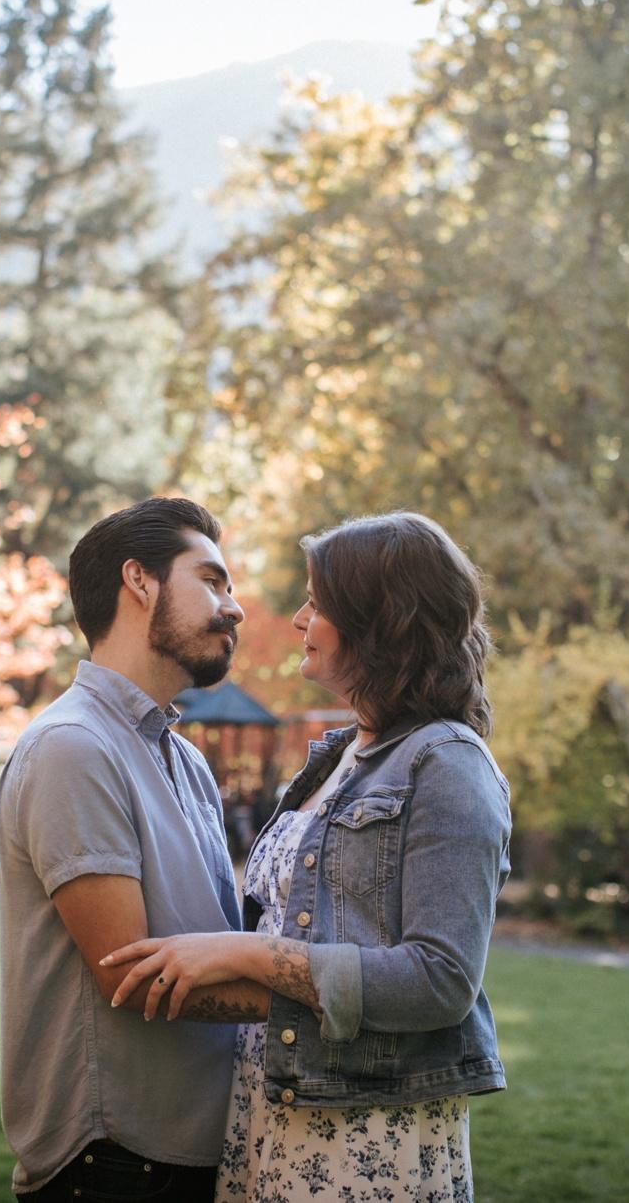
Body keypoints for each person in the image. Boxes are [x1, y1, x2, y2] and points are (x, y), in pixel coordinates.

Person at [104, 512, 512, 1203]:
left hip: (366, 1133)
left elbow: (442, 980)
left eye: (318, 603)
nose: (297, 618)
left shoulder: (448, 765)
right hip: (274, 1110)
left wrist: (242, 954)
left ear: (378, 620)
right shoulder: (335, 758)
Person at [0, 497, 273, 1200]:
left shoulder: (185, 761)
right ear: (139, 582)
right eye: (211, 580)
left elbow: (212, 942)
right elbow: (135, 976)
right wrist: (322, 993)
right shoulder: (74, 747)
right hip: (115, 1164)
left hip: (196, 1149)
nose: (233, 607)